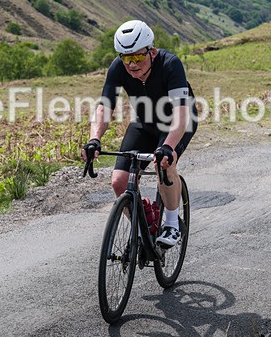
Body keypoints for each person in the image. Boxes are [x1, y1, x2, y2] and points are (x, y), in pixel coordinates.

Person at [82, 20, 197, 247]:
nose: (132, 64)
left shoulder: (170, 64)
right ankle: (145, 225)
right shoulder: (117, 68)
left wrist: (168, 147)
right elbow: (105, 107)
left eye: (137, 57)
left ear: (152, 52)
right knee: (119, 182)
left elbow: (181, 114)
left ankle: (173, 225)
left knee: (164, 164)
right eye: (126, 58)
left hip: (178, 122)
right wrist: (94, 139)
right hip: (144, 123)